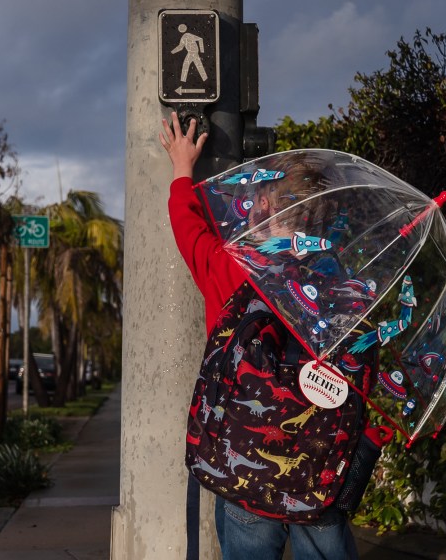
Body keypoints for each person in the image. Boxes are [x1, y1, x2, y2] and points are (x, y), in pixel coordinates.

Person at [160, 111, 392, 560]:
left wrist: (182, 168)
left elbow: (188, 228)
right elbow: (369, 378)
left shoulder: (235, 273)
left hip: (247, 466)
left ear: (265, 208)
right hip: (319, 475)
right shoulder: (347, 292)